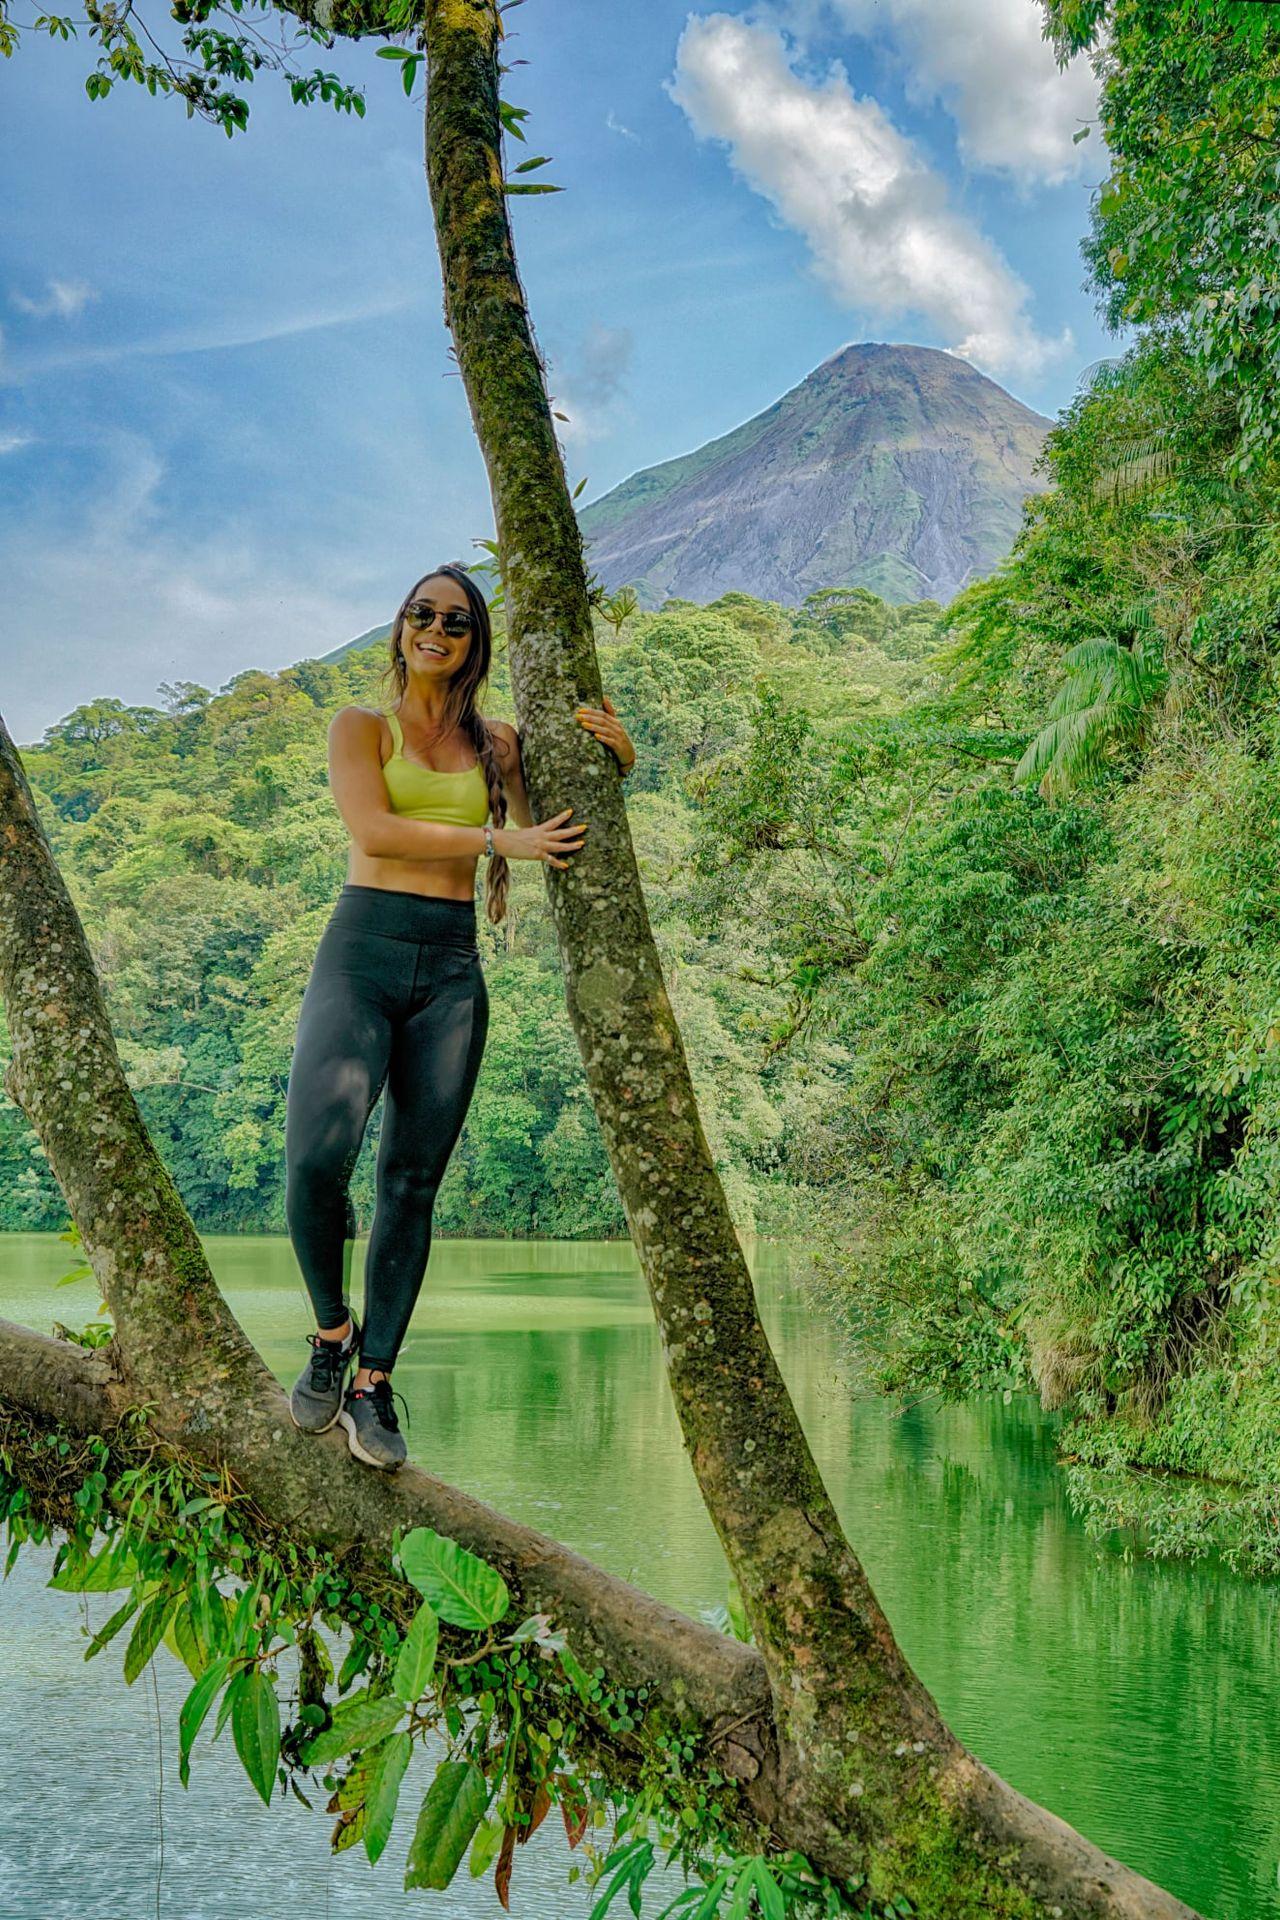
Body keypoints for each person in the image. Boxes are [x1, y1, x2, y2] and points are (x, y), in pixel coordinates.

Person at [284, 562, 637, 1470]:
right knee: (318, 1159)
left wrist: (616, 763)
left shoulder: (499, 744)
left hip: (449, 970)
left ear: (477, 642)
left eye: (456, 620)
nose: (435, 628)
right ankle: (331, 1335)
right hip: (361, 951)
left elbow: (550, 837)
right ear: (401, 626)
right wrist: (495, 839)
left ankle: (374, 1386)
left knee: (411, 1183)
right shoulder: (361, 729)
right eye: (421, 613)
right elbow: (374, 831)